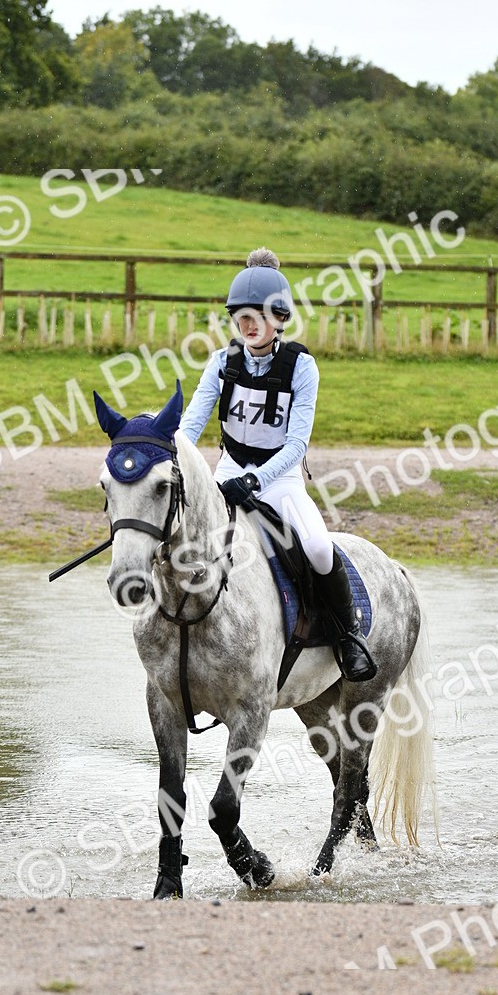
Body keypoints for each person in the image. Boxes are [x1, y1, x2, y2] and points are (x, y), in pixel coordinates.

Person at [178, 247, 376, 682]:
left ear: (279, 318)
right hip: (229, 472)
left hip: (280, 477)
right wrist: (174, 458)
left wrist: (256, 478)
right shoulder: (222, 363)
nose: (247, 325)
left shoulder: (301, 367)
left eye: (257, 316)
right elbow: (190, 426)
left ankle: (348, 635)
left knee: (320, 548)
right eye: (240, 316)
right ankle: (171, 632)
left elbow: (297, 444)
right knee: (183, 540)